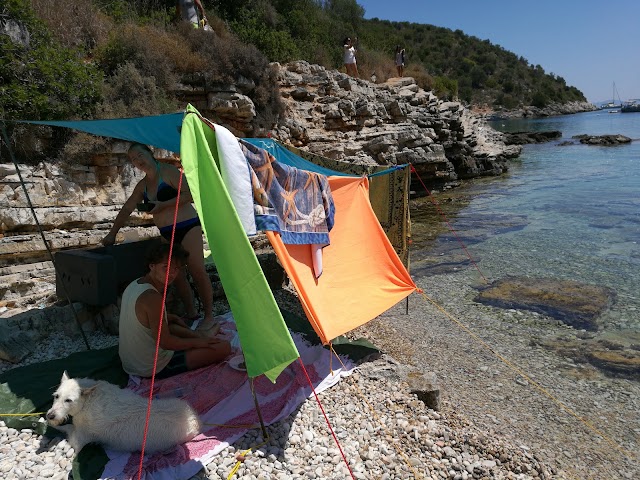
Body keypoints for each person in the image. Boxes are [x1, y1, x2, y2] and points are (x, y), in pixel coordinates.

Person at [102, 142, 215, 329]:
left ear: (150, 153)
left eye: (140, 155)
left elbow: (191, 194)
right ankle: (192, 314)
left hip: (187, 226)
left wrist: (164, 205)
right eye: (133, 159)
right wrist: (112, 234)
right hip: (166, 232)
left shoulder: (168, 171)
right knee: (176, 275)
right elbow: (127, 208)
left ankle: (209, 315)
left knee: (196, 270)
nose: (138, 161)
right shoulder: (143, 185)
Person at [119, 242, 231, 379]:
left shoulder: (135, 284)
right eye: (165, 267)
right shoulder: (152, 297)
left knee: (171, 323)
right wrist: (197, 343)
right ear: (152, 266)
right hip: (151, 367)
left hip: (130, 362)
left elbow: (145, 319)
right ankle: (202, 337)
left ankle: (201, 335)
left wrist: (170, 316)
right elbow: (166, 343)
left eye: (176, 268)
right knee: (224, 347)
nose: (171, 273)